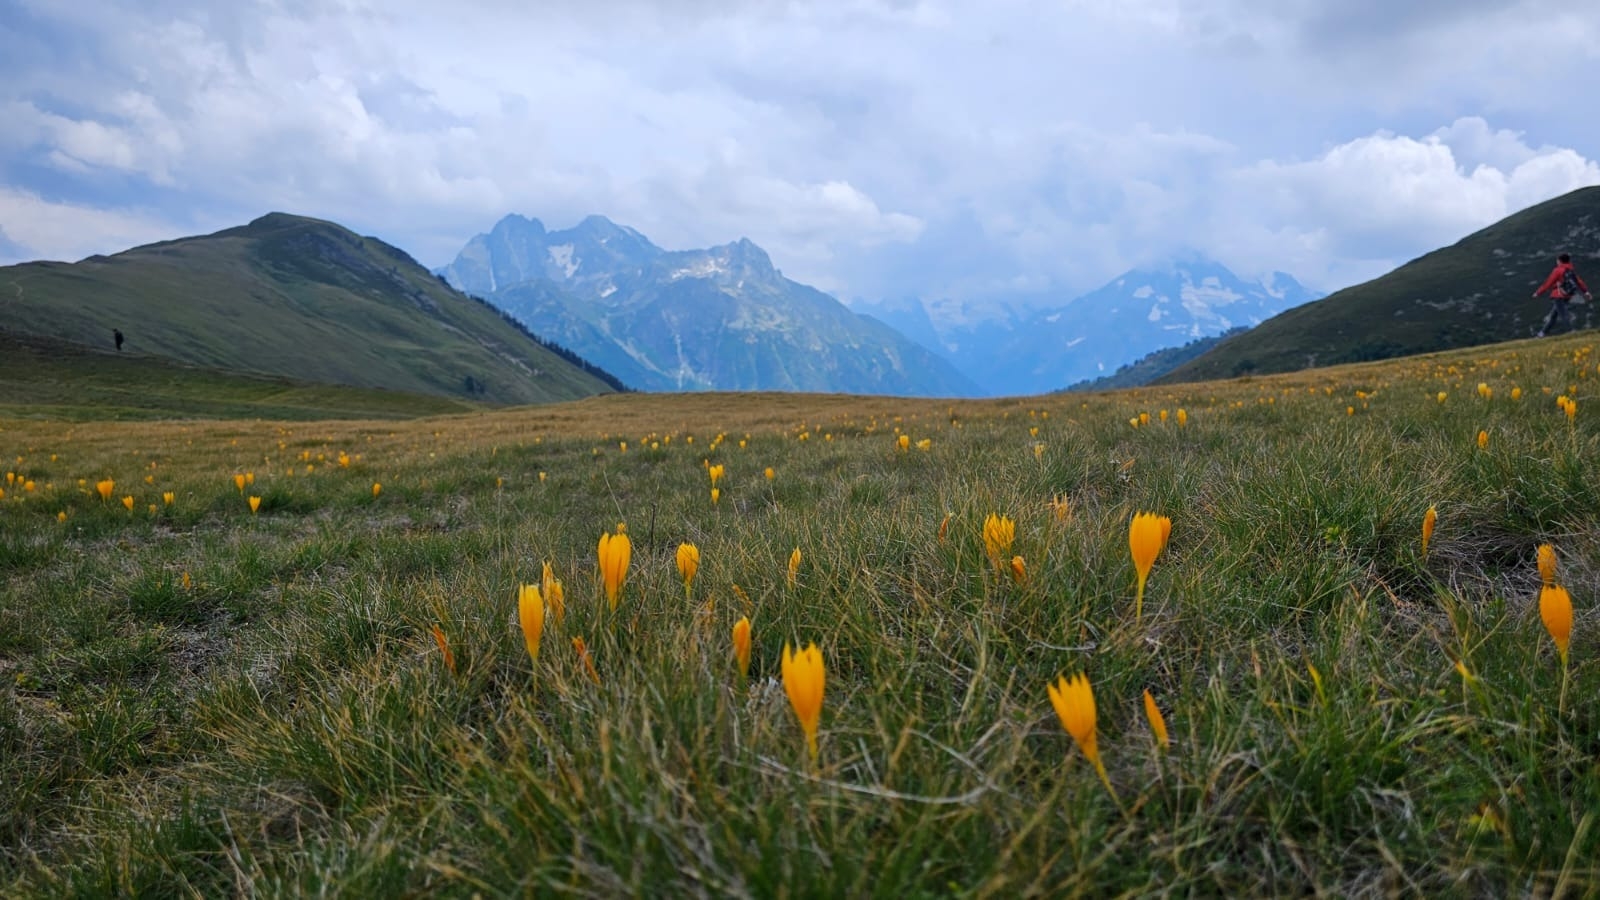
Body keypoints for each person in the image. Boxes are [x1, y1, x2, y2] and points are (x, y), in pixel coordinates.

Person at [1533, 253, 1593, 337]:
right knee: (1553, 316)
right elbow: (1579, 282)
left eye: (1557, 260)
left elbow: (1548, 283)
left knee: (1563, 315)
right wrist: (1586, 292)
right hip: (1567, 295)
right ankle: (1541, 334)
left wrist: (1538, 293)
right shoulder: (1570, 270)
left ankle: (1571, 332)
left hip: (1558, 295)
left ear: (1560, 261)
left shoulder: (1558, 270)